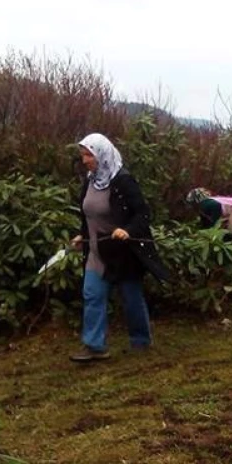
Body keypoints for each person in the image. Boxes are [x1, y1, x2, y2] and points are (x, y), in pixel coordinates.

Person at [69, 133, 169, 363]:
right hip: (96, 250)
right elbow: (88, 216)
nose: (85, 160)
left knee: (131, 296)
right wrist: (81, 235)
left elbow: (143, 213)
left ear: (102, 154)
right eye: (83, 155)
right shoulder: (90, 181)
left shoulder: (123, 181)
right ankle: (95, 346)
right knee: (92, 294)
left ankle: (141, 340)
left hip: (122, 252)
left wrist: (128, 230)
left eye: (88, 155)